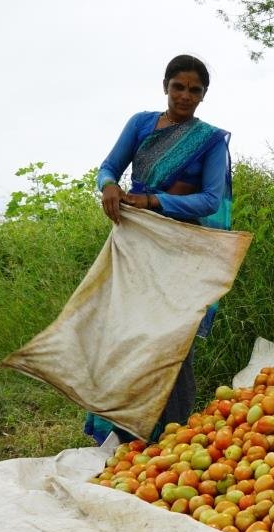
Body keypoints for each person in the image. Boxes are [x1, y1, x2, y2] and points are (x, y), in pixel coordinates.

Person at [84, 54, 233, 445]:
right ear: (165, 86)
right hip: (137, 243)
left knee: (172, 337)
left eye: (194, 90)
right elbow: (108, 166)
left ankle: (173, 436)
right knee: (128, 334)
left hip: (181, 247)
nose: (185, 96)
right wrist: (109, 186)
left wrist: (153, 201)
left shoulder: (211, 140)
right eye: (178, 87)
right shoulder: (140, 124)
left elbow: (210, 201)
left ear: (204, 96)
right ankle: (124, 434)